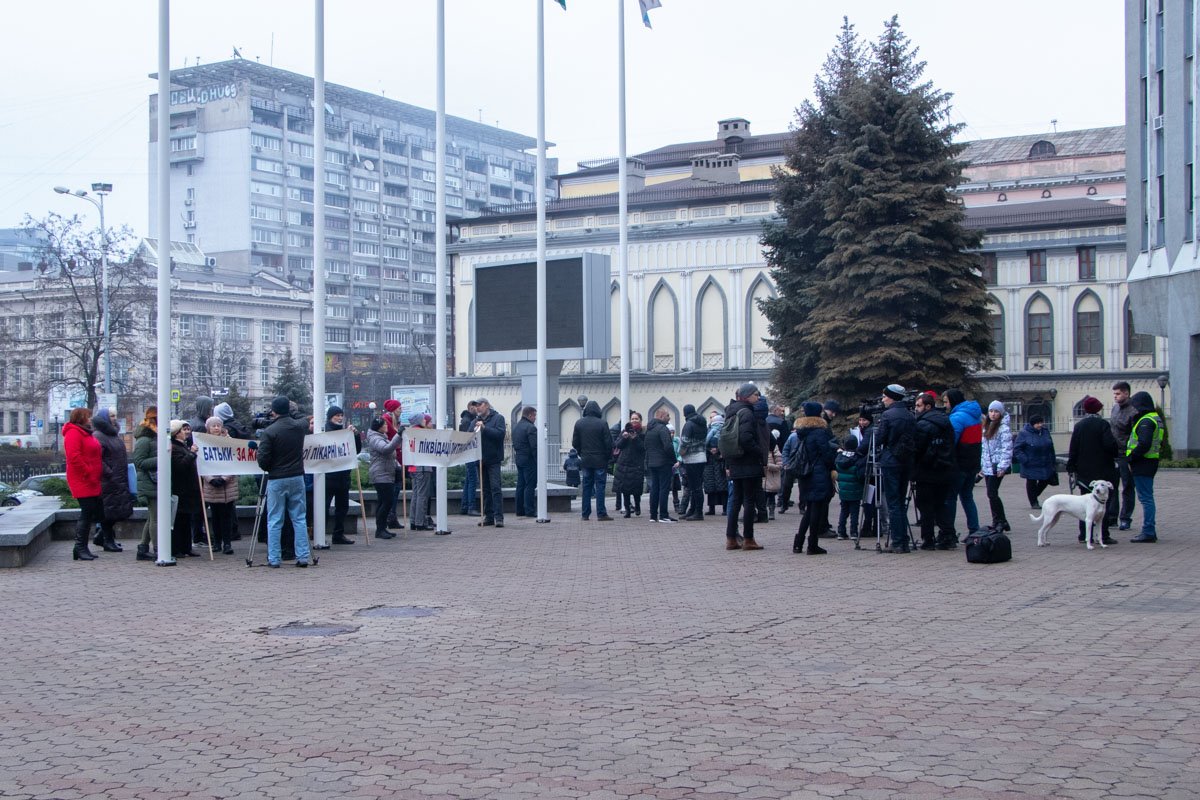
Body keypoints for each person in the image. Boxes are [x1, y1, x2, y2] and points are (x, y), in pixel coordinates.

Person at [255, 395, 311, 567]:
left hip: (277, 478)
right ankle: (302, 556)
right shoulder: (299, 426)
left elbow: (263, 461)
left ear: (273, 411)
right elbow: (304, 419)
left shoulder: (270, 432)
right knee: (299, 518)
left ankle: (274, 558)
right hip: (297, 476)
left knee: (275, 519)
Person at [1066, 395, 1119, 546]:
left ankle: (1084, 534)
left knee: (1084, 503)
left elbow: (1073, 448)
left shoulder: (1079, 426)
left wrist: (1071, 467)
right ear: (1098, 409)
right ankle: (1103, 535)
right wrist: (1115, 452)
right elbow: (1110, 445)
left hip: (1084, 471)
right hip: (1102, 469)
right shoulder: (1103, 424)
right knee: (1102, 503)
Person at [911, 392, 957, 550]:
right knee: (940, 504)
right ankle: (948, 535)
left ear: (927, 406)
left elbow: (918, 448)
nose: (916, 409)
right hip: (945, 469)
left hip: (927, 471)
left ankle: (928, 539)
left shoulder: (923, 424)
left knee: (925, 506)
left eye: (918, 406)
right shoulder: (946, 421)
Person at [724, 383, 765, 551]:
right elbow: (746, 438)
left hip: (734, 461)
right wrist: (759, 452)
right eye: (756, 394)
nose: (758, 397)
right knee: (749, 501)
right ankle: (748, 539)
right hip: (748, 462)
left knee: (735, 501)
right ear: (747, 396)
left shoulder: (730, 411)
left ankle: (731, 538)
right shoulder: (747, 412)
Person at [790, 402, 836, 555]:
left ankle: (798, 543)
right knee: (816, 508)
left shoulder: (802, 431)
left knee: (810, 509)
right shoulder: (820, 432)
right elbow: (827, 454)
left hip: (805, 473)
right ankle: (812, 544)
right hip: (819, 473)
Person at [876, 383, 916, 553]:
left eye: (885, 396)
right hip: (906, 461)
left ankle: (898, 541)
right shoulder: (909, 415)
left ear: (892, 397)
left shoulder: (888, 415)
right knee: (900, 501)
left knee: (893, 503)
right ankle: (903, 539)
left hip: (891, 461)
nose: (883, 399)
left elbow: (879, 439)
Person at [90, 407, 133, 554]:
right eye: (111, 416)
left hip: (117, 479)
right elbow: (97, 459)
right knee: (108, 513)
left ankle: (104, 537)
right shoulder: (99, 436)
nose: (115, 418)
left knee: (116, 511)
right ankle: (107, 540)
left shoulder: (112, 435)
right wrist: (109, 473)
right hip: (108, 480)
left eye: (115, 415)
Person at [63, 408, 103, 561]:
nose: (90, 419)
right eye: (88, 416)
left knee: (90, 512)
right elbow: (74, 457)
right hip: (83, 479)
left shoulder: (85, 432)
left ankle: (82, 547)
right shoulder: (73, 433)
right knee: (87, 512)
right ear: (81, 418)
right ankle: (80, 547)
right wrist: (88, 472)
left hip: (91, 479)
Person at [944, 389, 983, 539]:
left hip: (959, 463)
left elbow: (951, 440)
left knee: (951, 497)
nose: (946, 405)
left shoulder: (957, 418)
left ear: (953, 401)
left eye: (947, 401)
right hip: (972, 462)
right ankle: (974, 529)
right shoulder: (975, 415)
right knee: (967, 497)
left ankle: (949, 532)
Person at [1125, 391, 1163, 543]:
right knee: (1147, 497)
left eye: (1135, 405)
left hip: (1143, 463)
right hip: (1150, 461)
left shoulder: (1146, 421)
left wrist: (1131, 457)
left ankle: (1148, 531)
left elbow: (1144, 443)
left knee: (1146, 498)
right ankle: (1149, 530)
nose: (1133, 409)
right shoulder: (1155, 418)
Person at [200, 416, 239, 555]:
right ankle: (217, 542)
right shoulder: (203, 442)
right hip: (212, 485)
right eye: (213, 426)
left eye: (218, 425)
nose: (216, 428)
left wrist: (224, 478)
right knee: (215, 516)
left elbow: (234, 462)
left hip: (227, 486)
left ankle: (227, 543)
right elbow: (201, 464)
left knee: (227, 516)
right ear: (208, 428)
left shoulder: (229, 442)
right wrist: (210, 479)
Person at [571, 400, 614, 522]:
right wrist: (607, 457)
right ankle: (601, 513)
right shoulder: (602, 423)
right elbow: (608, 444)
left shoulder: (579, 423)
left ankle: (585, 514)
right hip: (600, 460)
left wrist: (581, 453)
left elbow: (575, 443)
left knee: (586, 486)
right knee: (600, 486)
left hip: (586, 460)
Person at [323, 405, 359, 545]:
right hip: (329, 476)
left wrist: (355, 436)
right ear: (330, 417)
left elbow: (355, 450)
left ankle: (338, 534)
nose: (339, 418)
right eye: (336, 415)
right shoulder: (325, 431)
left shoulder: (345, 432)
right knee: (324, 506)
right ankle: (320, 533)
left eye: (340, 415)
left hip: (343, 475)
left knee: (342, 507)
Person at [168, 420, 201, 559]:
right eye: (183, 430)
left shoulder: (183, 446)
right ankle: (177, 548)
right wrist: (191, 454)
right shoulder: (174, 448)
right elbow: (180, 467)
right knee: (179, 520)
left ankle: (187, 547)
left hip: (188, 490)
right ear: (176, 433)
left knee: (186, 520)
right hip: (181, 489)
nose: (186, 432)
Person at [366, 416, 403, 539]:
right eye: (385, 425)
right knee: (386, 501)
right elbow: (386, 450)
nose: (387, 426)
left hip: (386, 473)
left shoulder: (382, 437)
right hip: (381, 475)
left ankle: (382, 528)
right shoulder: (375, 438)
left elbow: (390, 456)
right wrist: (398, 436)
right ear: (380, 427)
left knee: (384, 501)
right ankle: (380, 529)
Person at [979, 400, 1013, 533]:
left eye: (996, 411)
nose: (993, 414)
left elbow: (1007, 448)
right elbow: (984, 448)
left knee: (992, 493)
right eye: (991, 411)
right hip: (988, 465)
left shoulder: (1003, 428)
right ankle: (1001, 520)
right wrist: (982, 466)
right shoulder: (986, 426)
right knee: (991, 494)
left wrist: (1002, 466)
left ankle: (999, 520)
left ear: (1001, 413)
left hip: (997, 465)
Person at [1109, 381, 1138, 531]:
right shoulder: (1114, 409)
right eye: (1114, 394)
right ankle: (1112, 517)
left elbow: (1135, 435)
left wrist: (1131, 455)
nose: (1115, 396)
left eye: (1118, 393)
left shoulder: (1134, 411)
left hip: (1126, 455)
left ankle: (1125, 518)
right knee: (1111, 486)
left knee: (1127, 487)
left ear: (1126, 393)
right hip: (1114, 454)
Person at [474, 398, 506, 528]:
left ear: (486, 405)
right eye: (476, 406)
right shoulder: (476, 420)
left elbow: (500, 434)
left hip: (493, 459)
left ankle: (499, 518)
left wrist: (485, 428)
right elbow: (469, 433)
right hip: (480, 460)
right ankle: (489, 516)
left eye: (479, 405)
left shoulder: (498, 418)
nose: (477, 408)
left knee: (495, 488)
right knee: (485, 490)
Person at [132, 407, 159, 561]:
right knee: (155, 519)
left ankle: (143, 548)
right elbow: (139, 462)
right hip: (149, 483)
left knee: (152, 518)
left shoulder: (152, 439)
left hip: (153, 482)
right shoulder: (144, 440)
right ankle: (157, 549)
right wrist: (160, 459)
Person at [1014, 414, 1056, 509]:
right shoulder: (1024, 433)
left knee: (1046, 480)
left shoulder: (1045, 432)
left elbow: (1051, 446)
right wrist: (1024, 459)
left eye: (1041, 422)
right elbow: (1017, 448)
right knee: (1031, 482)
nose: (1040, 425)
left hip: (1044, 461)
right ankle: (1034, 502)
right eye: (1037, 423)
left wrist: (1052, 459)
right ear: (1032, 424)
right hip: (1030, 462)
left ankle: (1033, 495)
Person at [644, 408, 677, 523]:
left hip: (652, 463)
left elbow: (647, 446)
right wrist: (674, 459)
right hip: (664, 463)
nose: (669, 418)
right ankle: (663, 515)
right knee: (664, 488)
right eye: (668, 415)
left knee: (654, 489)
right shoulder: (663, 429)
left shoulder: (649, 429)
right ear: (662, 416)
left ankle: (653, 515)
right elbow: (668, 446)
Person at [613, 413, 647, 518]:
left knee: (637, 489)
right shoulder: (624, 431)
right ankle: (627, 509)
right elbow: (618, 445)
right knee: (625, 490)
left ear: (640, 420)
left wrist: (635, 438)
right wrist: (624, 438)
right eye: (632, 419)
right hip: (624, 464)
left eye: (636, 419)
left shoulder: (643, 433)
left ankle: (637, 505)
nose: (634, 421)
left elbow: (643, 448)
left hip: (637, 465)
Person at [407, 412, 436, 531]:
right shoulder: (421, 432)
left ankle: (413, 521)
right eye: (423, 419)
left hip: (413, 466)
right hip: (422, 466)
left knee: (415, 494)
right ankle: (420, 522)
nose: (425, 421)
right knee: (422, 495)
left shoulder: (411, 432)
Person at [678, 404, 708, 522]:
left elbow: (684, 442)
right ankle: (693, 510)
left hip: (691, 459)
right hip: (702, 457)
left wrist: (681, 453)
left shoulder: (689, 424)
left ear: (685, 413)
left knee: (694, 487)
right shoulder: (702, 423)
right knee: (697, 485)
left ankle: (698, 512)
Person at [834, 435, 863, 540]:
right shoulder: (858, 458)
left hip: (843, 489)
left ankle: (841, 531)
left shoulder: (839, 458)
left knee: (844, 510)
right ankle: (854, 532)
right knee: (854, 512)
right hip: (855, 489)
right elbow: (860, 475)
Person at [382, 399, 406, 530]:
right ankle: (390, 517)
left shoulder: (394, 422)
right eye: (399, 409)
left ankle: (392, 516)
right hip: (393, 460)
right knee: (393, 491)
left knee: (396, 490)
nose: (401, 411)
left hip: (398, 459)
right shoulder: (387, 421)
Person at [512, 405, 538, 518]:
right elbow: (534, 446)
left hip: (519, 458)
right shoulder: (531, 428)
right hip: (529, 459)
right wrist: (538, 460)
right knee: (530, 484)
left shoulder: (516, 427)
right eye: (534, 415)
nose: (535, 418)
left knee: (521, 484)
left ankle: (519, 510)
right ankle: (529, 510)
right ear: (530, 415)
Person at [703, 412, 728, 516]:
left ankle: (725, 508)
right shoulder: (709, 430)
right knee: (710, 486)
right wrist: (710, 450)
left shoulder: (723, 430)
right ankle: (712, 508)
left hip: (720, 462)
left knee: (722, 486)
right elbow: (705, 444)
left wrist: (718, 450)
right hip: (710, 461)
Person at [458, 400, 480, 515]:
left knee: (469, 480)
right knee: (473, 480)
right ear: (471, 407)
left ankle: (465, 506)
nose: (477, 409)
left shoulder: (465, 420)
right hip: (470, 453)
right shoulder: (468, 421)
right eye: (475, 407)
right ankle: (471, 507)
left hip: (468, 454)